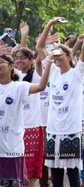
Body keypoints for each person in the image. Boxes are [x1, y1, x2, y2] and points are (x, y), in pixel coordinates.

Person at [36, 7, 84, 187]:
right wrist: (50, 23)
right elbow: (40, 47)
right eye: (54, 56)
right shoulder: (52, 72)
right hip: (53, 129)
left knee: (73, 173)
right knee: (56, 173)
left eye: (59, 55)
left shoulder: (77, 73)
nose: (56, 59)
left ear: (69, 55)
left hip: (71, 129)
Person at [0, 54, 51, 186]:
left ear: (11, 66)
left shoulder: (19, 87)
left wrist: (49, 62)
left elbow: (41, 87)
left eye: (1, 62)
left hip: (12, 149)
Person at [14, 47, 44, 187]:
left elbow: (40, 51)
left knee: (30, 168)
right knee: (15, 165)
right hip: (14, 128)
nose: (19, 61)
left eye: (22, 58)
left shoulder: (37, 75)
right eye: (17, 58)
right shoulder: (13, 75)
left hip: (32, 127)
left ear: (31, 60)